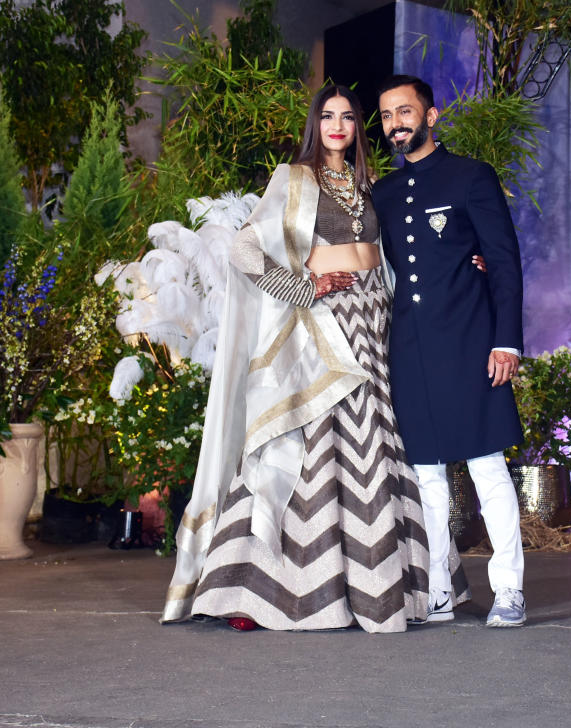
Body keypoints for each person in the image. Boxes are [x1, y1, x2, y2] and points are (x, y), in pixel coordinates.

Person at [161, 85, 469, 633]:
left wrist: (468, 263)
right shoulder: (293, 178)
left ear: (357, 127)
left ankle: (384, 589)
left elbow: (410, 247)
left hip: (378, 318)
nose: (336, 125)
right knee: (312, 440)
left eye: (347, 116)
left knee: (376, 444)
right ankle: (261, 590)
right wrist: (302, 286)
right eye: (327, 116)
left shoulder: (371, 184)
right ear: (315, 123)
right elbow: (242, 248)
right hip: (326, 321)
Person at [372, 74, 527, 628]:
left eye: (406, 112)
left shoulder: (470, 177)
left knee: (488, 470)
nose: (396, 123)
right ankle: (438, 590)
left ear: (431, 116)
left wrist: (505, 340)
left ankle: (508, 590)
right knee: (427, 479)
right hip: (410, 351)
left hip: (470, 346)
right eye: (388, 116)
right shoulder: (383, 195)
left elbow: (504, 261)